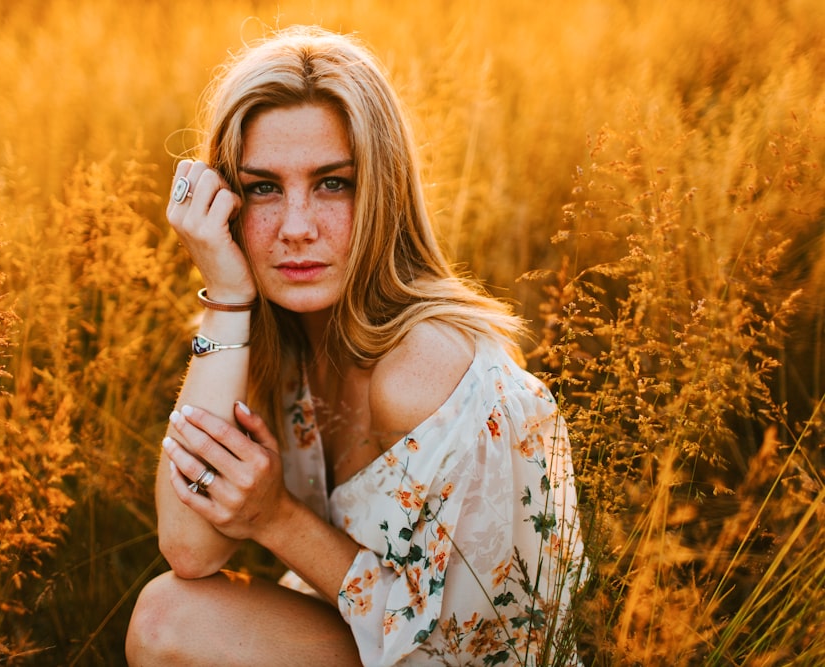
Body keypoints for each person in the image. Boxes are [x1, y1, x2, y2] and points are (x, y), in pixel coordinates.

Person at [125, 25, 584, 667]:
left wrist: (274, 517)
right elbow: (190, 549)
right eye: (263, 188)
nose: (295, 228)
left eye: (332, 183)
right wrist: (227, 299)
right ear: (226, 203)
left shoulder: (424, 372)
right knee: (166, 617)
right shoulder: (281, 341)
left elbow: (479, 652)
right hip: (373, 636)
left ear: (383, 191)